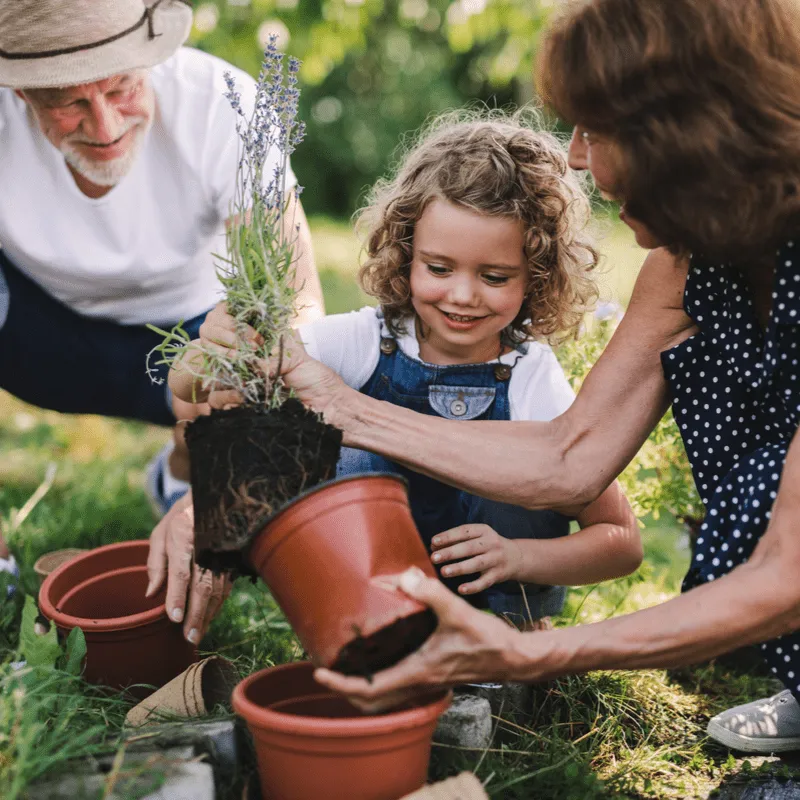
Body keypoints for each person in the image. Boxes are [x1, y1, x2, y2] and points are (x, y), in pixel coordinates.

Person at [221, 0, 800, 753]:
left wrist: (528, 650)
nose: (577, 157)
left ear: (690, 133)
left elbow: (783, 574)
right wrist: (286, 432)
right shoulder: (688, 265)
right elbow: (569, 456)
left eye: (597, 130)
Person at [177, 112, 642, 630]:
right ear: (405, 255)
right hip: (375, 600)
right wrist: (213, 347)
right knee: (347, 449)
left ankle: (517, 633)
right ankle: (362, 627)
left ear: (537, 276)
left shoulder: (529, 374)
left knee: (531, 464)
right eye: (438, 268)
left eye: (494, 277)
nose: (462, 295)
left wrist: (519, 557)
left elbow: (621, 542)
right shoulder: (362, 341)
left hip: (492, 605)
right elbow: (192, 384)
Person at [0, 0, 324, 627]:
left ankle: (181, 469)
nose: (104, 125)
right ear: (19, 91)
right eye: (67, 102)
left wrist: (218, 490)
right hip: (36, 339)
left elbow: (298, 305)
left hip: (184, 351)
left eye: (121, 87)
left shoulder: (221, 103)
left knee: (249, 365)